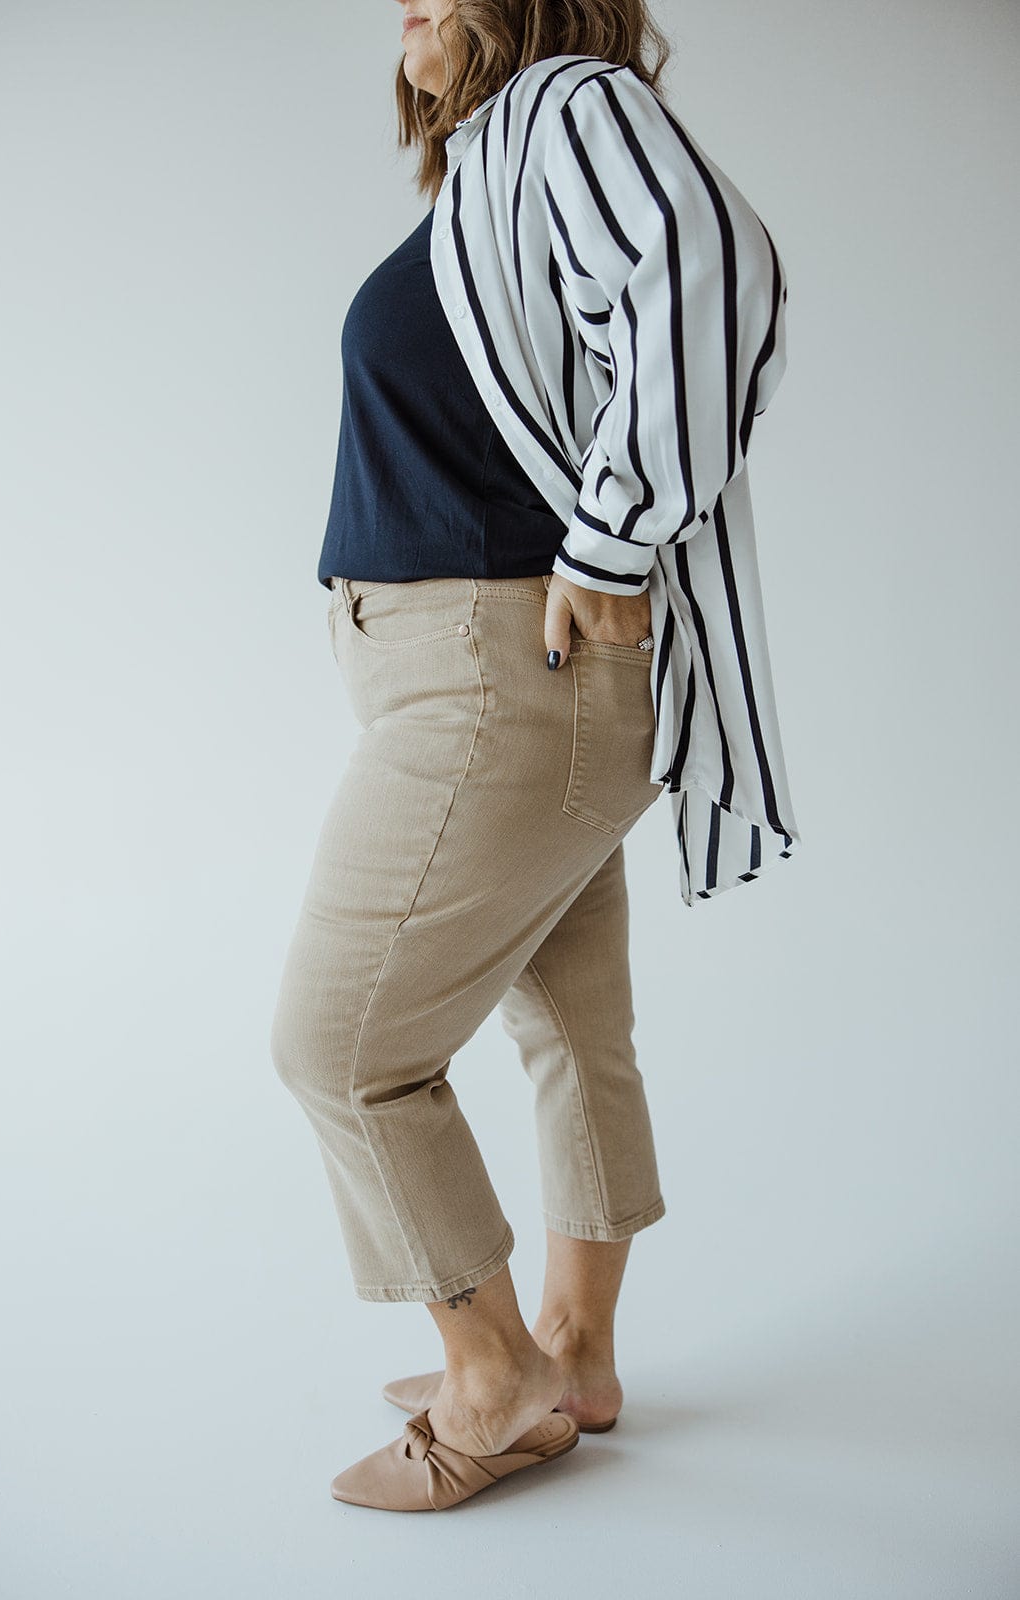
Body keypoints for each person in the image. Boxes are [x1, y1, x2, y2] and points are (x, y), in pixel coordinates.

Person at [269, 0, 801, 1512]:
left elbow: (721, 268)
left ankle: (488, 1376)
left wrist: (616, 546)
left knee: (341, 1047)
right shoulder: (503, 157)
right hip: (500, 685)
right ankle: (569, 1347)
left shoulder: (568, 103)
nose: (406, 2)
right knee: (571, 1025)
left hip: (504, 684)